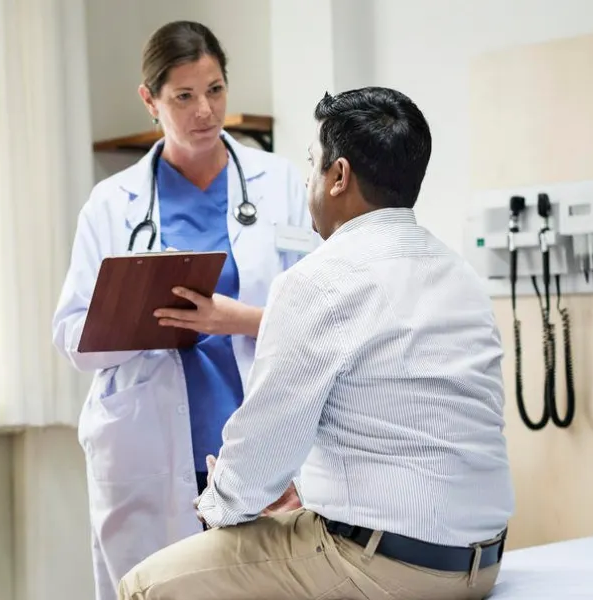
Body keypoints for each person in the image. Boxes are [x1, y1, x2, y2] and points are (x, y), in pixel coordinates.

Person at [116, 86, 516, 600]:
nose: (309, 179)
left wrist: (218, 504)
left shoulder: (318, 280)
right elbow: (402, 425)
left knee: (142, 585)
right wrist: (298, 492)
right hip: (481, 564)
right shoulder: (460, 275)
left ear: (339, 176)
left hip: (385, 568)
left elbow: (260, 451)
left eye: (313, 164)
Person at [50, 20, 316, 600]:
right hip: (149, 446)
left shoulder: (279, 184)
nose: (205, 111)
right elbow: (71, 334)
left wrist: (233, 319)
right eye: (184, 96)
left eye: (215, 89)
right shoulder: (109, 204)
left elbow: (317, 315)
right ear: (151, 101)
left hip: (253, 440)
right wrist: (141, 314)